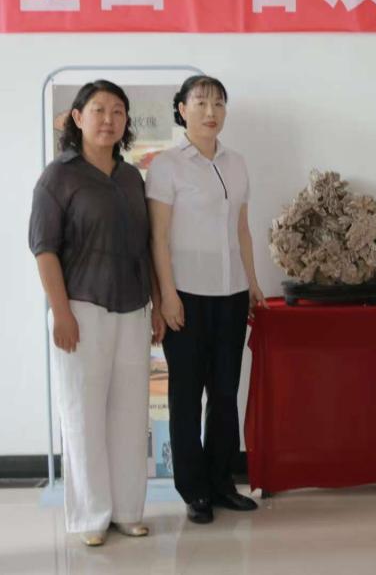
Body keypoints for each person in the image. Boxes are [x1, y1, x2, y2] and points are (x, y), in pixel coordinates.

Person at [30, 80, 164, 546]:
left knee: (129, 415)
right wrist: (61, 312)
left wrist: (156, 304)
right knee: (83, 414)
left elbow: (144, 246)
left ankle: (127, 511)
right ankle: (90, 516)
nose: (109, 119)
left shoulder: (131, 178)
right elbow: (44, 249)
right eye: (99, 110)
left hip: (133, 309)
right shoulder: (58, 177)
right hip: (81, 309)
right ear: (77, 117)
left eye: (118, 111)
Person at [147, 75, 266, 524]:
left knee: (224, 391)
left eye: (218, 103)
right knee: (186, 394)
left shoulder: (236, 163)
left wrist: (252, 282)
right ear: (182, 110)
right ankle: (193, 489)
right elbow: (158, 237)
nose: (210, 111)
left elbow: (242, 230)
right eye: (200, 103)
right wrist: (167, 295)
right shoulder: (167, 165)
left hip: (230, 293)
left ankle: (221, 482)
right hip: (186, 297)